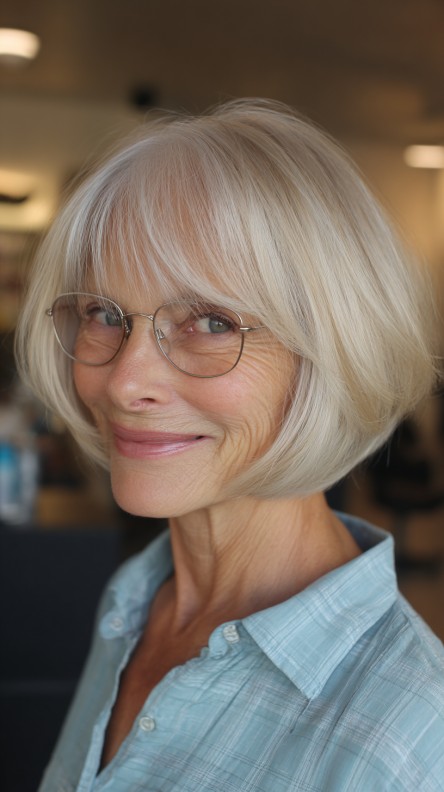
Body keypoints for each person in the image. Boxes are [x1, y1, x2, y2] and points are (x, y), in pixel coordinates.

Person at [16, 99, 444, 791]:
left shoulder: (414, 741)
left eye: (212, 322)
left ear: (335, 352)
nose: (125, 382)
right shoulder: (134, 600)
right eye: (102, 313)